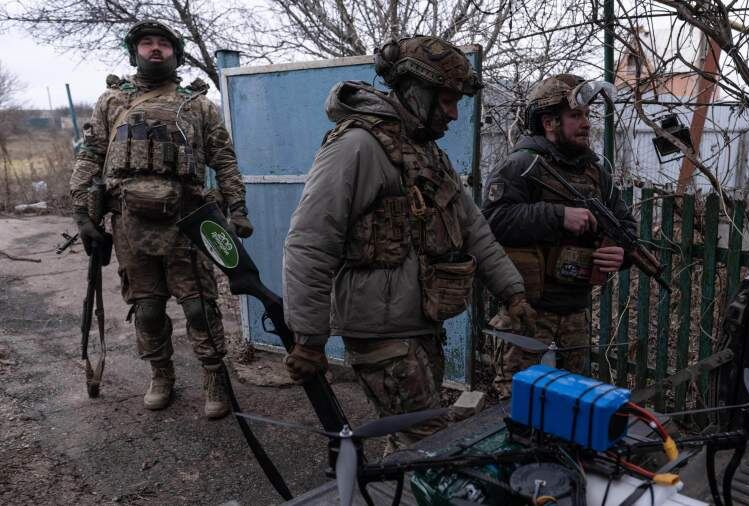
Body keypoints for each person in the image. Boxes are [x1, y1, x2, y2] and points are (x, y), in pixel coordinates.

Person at [281, 36, 536, 450]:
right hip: (379, 333)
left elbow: (474, 228)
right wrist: (309, 339)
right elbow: (310, 242)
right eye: (447, 100)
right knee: (430, 443)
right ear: (417, 91)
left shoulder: (428, 156)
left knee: (409, 438)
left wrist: (513, 292)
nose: (455, 113)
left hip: (420, 325)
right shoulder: (357, 147)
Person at [70, 20, 254, 419]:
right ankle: (161, 373)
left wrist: (237, 208)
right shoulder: (111, 102)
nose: (156, 49)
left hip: (187, 221)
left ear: (176, 52)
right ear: (134, 51)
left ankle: (213, 375)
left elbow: (224, 159)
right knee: (148, 307)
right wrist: (83, 215)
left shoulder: (198, 105)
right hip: (129, 223)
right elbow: (90, 156)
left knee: (198, 306)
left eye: (164, 44)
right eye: (147, 43)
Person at [482, 74, 637, 398]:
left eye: (587, 115)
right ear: (549, 122)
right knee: (515, 403)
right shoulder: (520, 166)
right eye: (576, 115)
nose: (586, 123)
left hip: (575, 312)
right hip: (526, 312)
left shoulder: (594, 173)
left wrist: (620, 252)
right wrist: (558, 216)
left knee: (572, 402)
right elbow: (493, 221)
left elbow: (625, 227)